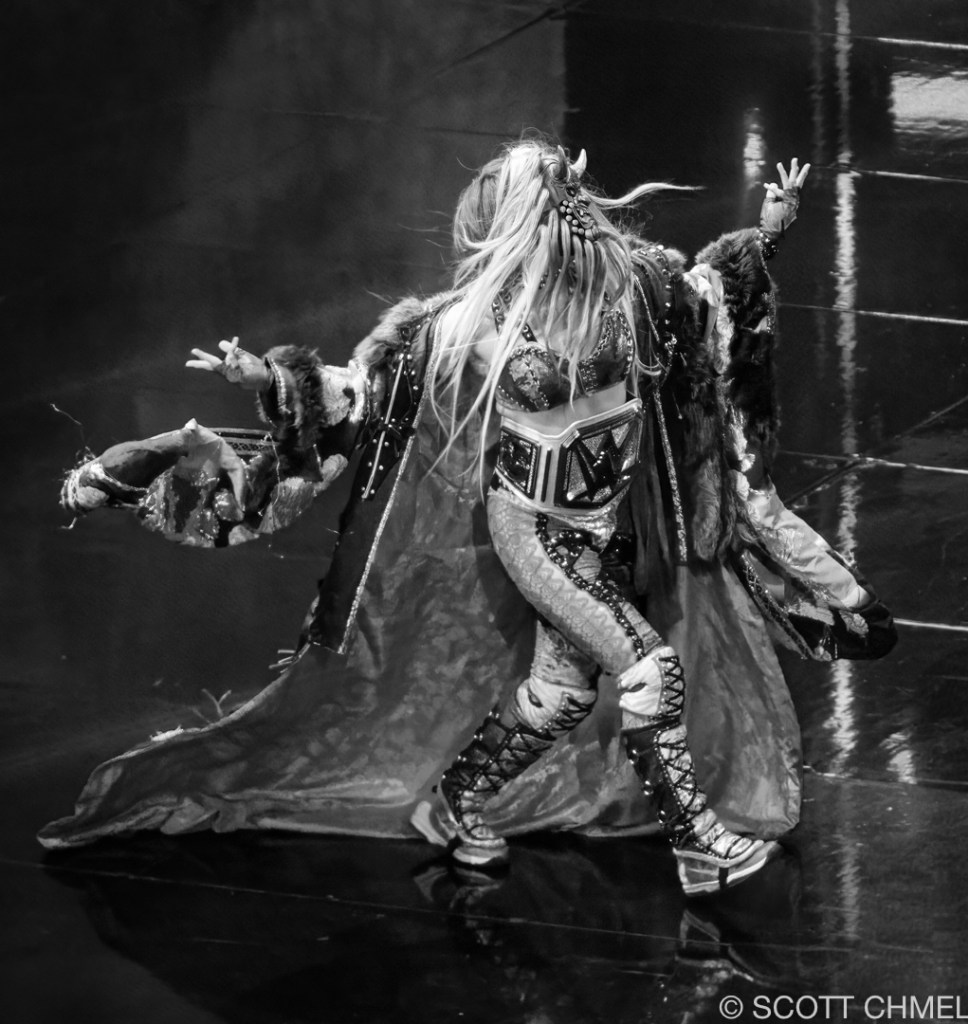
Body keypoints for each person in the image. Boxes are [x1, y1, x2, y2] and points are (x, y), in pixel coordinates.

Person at [40, 140, 896, 896]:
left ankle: (453, 805)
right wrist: (270, 380)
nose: (568, 200)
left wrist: (766, 237)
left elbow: (709, 300)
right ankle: (699, 846)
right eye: (547, 190)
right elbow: (358, 395)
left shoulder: (637, 284)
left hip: (607, 530)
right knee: (649, 669)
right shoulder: (468, 324)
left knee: (561, 695)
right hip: (537, 534)